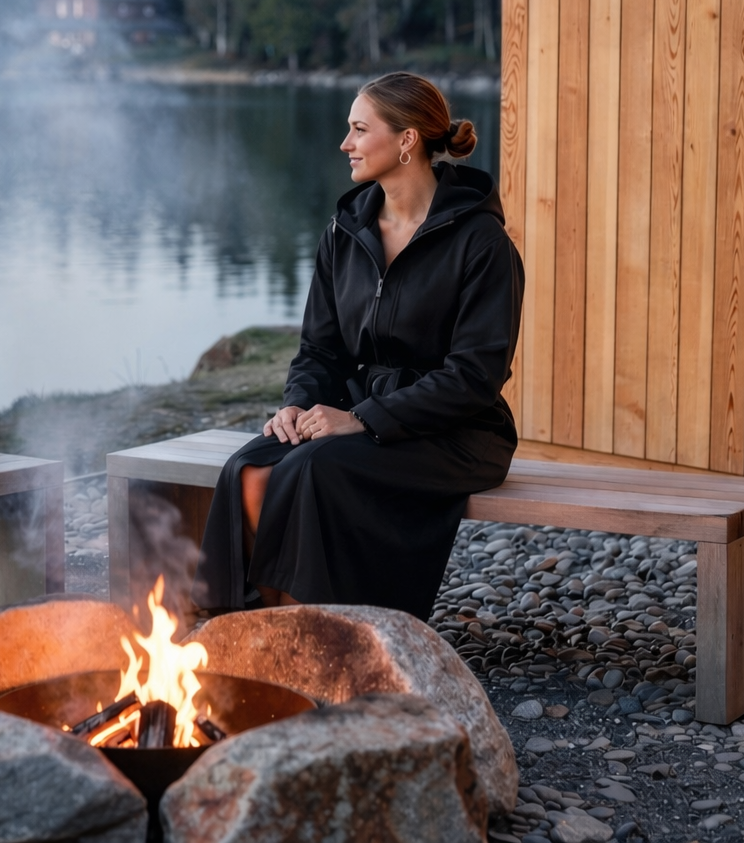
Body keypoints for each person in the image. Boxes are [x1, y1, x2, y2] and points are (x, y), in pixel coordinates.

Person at [194, 72, 524, 619]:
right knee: (248, 471)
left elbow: (473, 377)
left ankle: (334, 640)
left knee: (311, 470)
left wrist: (365, 419)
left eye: (358, 129)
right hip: (360, 415)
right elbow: (319, 349)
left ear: (406, 140)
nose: (345, 143)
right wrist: (296, 404)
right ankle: (271, 638)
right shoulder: (346, 230)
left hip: (459, 431)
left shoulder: (481, 243)